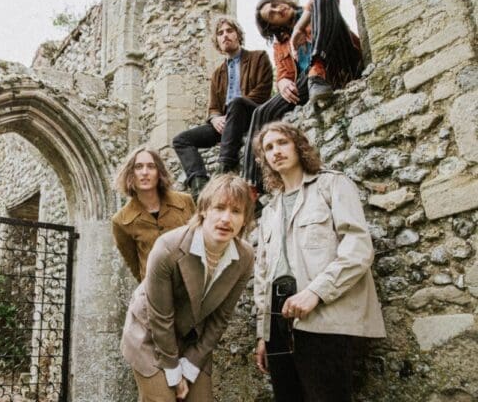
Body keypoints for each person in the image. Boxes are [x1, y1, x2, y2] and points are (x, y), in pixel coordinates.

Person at [251, 121, 385, 402]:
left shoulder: (332, 184)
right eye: (268, 148)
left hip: (324, 319)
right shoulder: (269, 210)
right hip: (277, 326)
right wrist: (263, 333)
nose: (276, 151)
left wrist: (316, 292)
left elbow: (358, 248)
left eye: (282, 142)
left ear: (299, 146)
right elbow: (263, 275)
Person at [121, 174, 255, 401]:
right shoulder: (168, 248)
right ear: (203, 209)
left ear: (245, 218)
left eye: (236, 211)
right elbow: (160, 318)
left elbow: (220, 319)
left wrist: (191, 364)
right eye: (219, 208)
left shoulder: (245, 257)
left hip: (192, 339)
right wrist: (174, 372)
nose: (226, 219)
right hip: (150, 334)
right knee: (163, 397)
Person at [242, 0, 363, 196]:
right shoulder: (280, 45)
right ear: (272, 26)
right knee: (262, 112)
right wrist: (281, 83)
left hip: (339, 62)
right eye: (272, 13)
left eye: (276, 4)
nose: (278, 8)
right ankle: (252, 186)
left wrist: (300, 27)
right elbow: (283, 73)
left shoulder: (313, 9)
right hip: (311, 83)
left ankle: (318, 67)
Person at [172, 16, 273, 200]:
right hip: (226, 124)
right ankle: (199, 185)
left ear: (238, 35)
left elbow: (263, 92)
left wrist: (235, 108)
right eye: (220, 33)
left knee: (236, 103)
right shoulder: (218, 73)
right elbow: (213, 107)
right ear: (217, 41)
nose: (225, 35)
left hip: (251, 114)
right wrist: (215, 118)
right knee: (181, 140)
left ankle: (225, 166)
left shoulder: (259, 57)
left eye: (229, 31)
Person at [112, 147, 196, 282]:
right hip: (156, 290)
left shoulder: (185, 201)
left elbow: (199, 242)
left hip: (191, 283)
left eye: (151, 166)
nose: (145, 172)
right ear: (130, 174)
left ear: (159, 172)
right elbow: (134, 265)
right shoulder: (121, 221)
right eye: (138, 167)